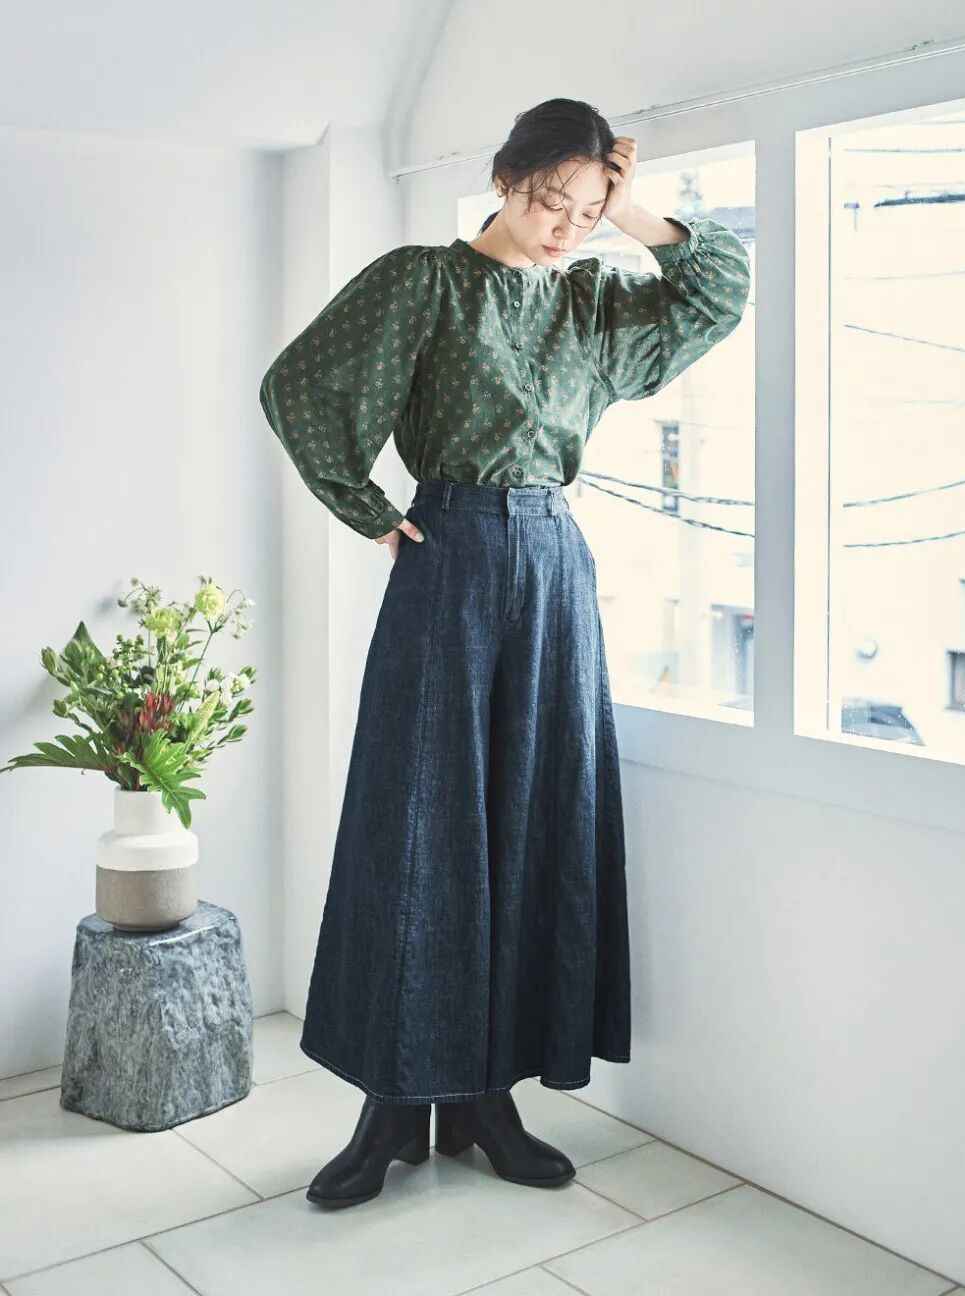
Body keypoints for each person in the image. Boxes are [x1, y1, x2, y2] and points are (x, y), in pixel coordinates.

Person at [258, 97, 751, 1209]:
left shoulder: (592, 299)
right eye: (549, 199)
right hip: (450, 562)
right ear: (502, 178)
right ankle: (392, 1106)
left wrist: (633, 210)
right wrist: (371, 512)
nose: (565, 224)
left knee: (537, 824)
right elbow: (299, 386)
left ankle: (488, 1100)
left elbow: (718, 289)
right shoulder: (422, 283)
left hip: (556, 571)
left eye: (587, 207)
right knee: (418, 828)